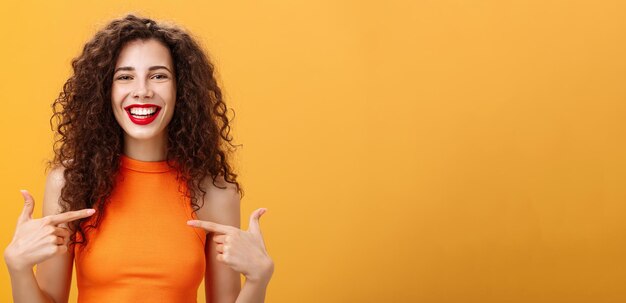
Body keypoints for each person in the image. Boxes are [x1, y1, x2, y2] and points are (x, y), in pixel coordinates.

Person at [3, 14, 274, 303]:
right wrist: (18, 269)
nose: (142, 91)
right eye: (125, 76)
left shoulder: (215, 193)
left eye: (158, 76)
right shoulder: (72, 182)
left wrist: (258, 279)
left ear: (181, 89)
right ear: (104, 90)